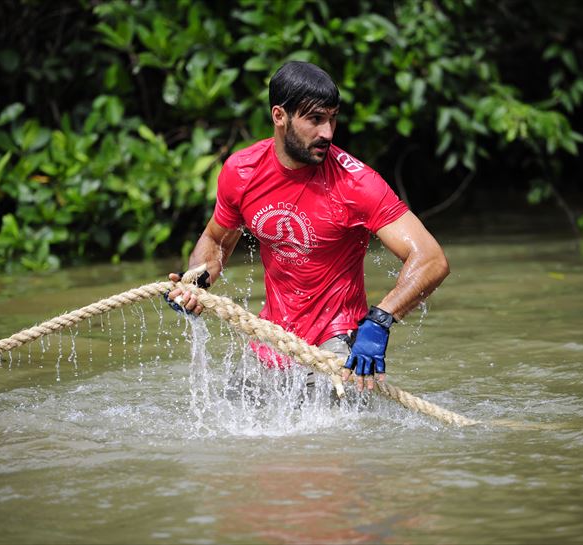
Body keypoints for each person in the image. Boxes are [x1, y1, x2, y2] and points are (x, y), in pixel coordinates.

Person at [167, 61, 449, 392]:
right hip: (271, 338)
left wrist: (380, 320)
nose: (327, 132)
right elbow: (216, 240)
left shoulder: (356, 184)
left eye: (332, 118)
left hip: (337, 344)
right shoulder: (241, 172)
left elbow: (431, 259)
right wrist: (196, 282)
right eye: (315, 119)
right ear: (279, 116)